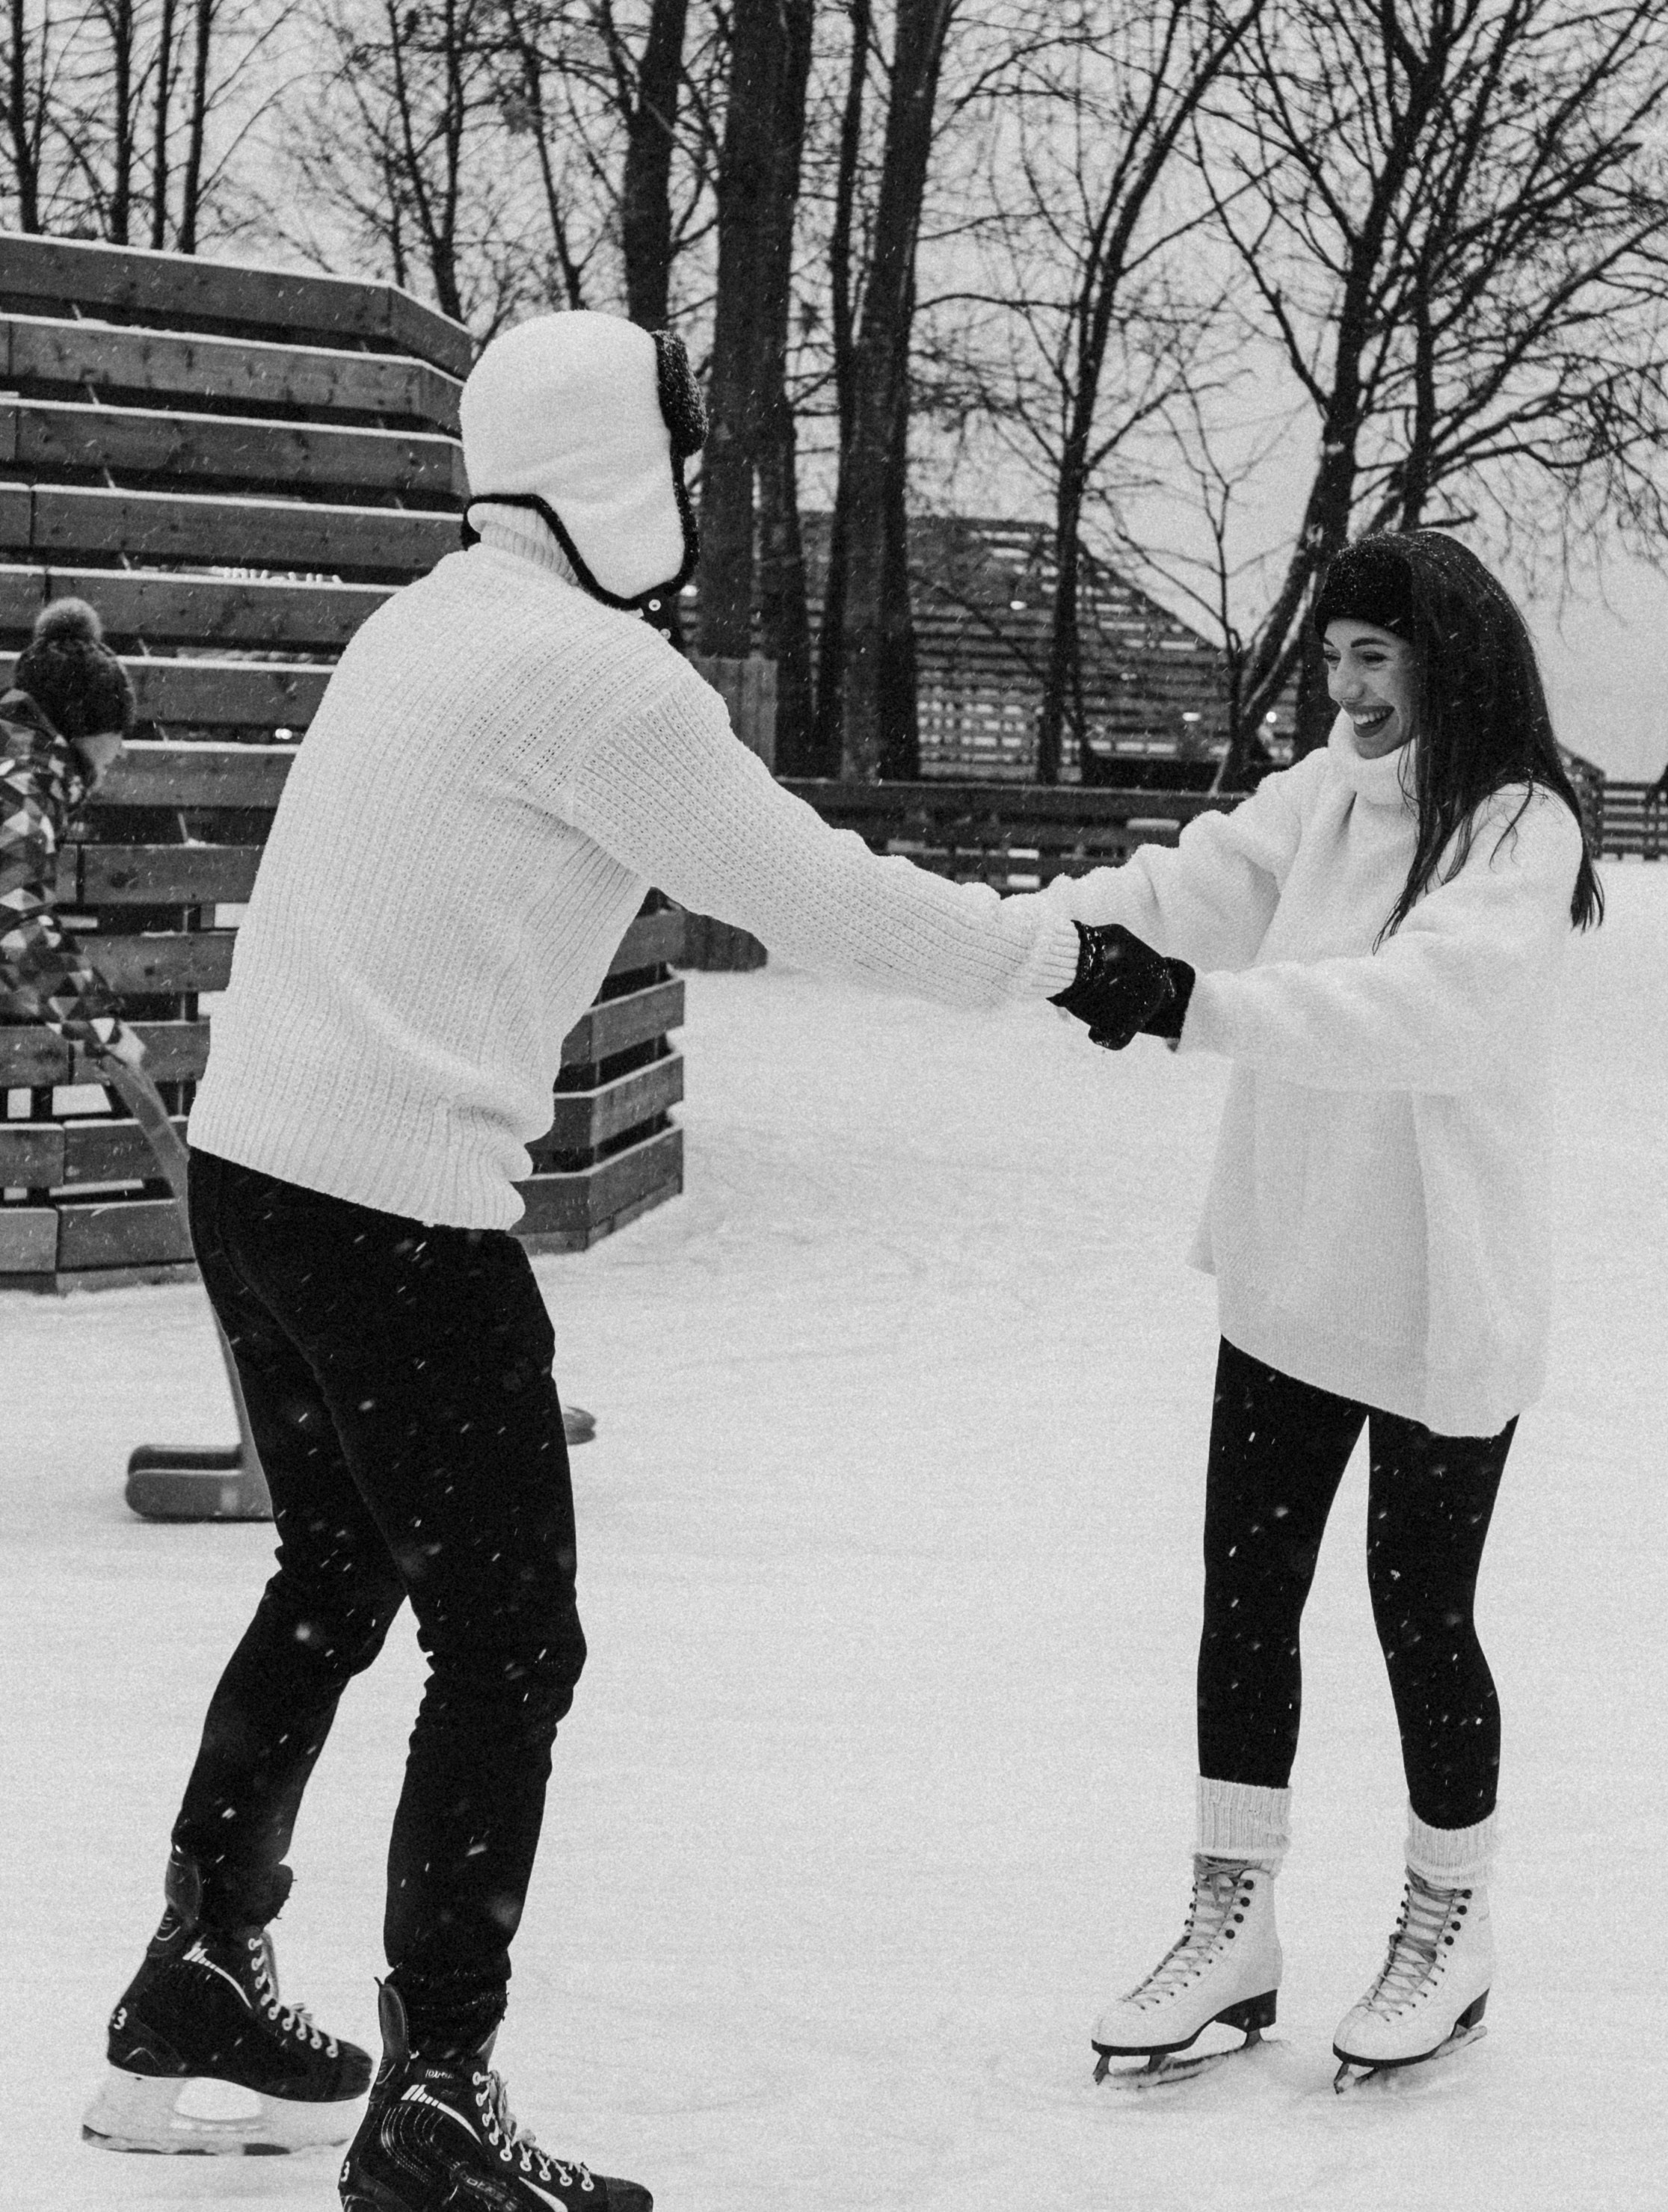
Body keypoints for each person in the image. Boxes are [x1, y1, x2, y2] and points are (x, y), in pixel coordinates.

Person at [83, 311, 1159, 2211]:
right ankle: (438, 2101)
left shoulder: (426, 620)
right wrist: (1070, 958)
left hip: (257, 1177)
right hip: (397, 1212)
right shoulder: (602, 685)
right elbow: (817, 897)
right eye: (676, 452)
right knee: (509, 1641)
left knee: (337, 1572)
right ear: (618, 473)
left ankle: (196, 1968)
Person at [1038, 530, 1603, 2093]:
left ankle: (1448, 1919)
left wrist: (1189, 1004)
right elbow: (1169, 886)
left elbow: (1425, 1004)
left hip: (1436, 1295)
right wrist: (1033, 939)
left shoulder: (1514, 826)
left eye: (1377, 657)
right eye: (1333, 657)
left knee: (1420, 1613)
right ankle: (1232, 1923)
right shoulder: (1316, 800)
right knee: (1243, 1599)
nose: (1347, 690)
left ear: (1449, 659)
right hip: (1293, 1274)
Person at [0, 600, 182, 1165]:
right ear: (83, 725)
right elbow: (14, 921)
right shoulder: (25, 782)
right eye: (116, 732)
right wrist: (101, 1027)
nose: (120, 750)